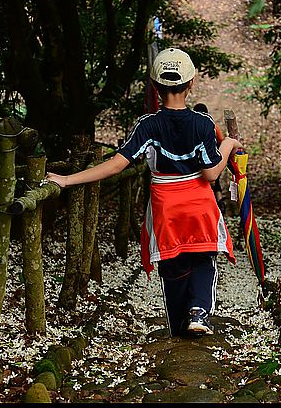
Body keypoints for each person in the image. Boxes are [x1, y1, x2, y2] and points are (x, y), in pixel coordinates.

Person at [45, 48, 242, 337]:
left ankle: (178, 325)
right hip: (199, 204)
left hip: (166, 207)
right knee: (203, 258)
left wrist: (66, 180)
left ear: (154, 86)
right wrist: (228, 145)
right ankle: (199, 312)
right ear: (191, 85)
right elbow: (211, 173)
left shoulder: (148, 125)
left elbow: (115, 165)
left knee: (172, 265)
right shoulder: (203, 124)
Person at [192, 103, 227, 216]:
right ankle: (219, 203)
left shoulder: (191, 126)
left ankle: (205, 206)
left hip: (195, 161)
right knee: (215, 182)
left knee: (200, 183)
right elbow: (221, 141)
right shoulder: (212, 125)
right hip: (212, 158)